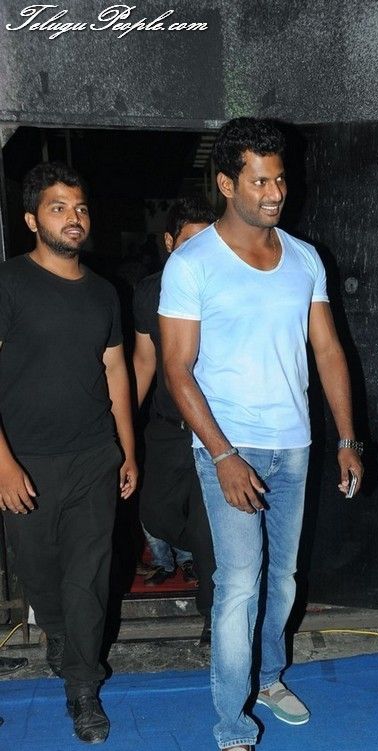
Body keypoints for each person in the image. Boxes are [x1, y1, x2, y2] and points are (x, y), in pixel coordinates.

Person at [159, 118, 364, 751]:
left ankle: (269, 678)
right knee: (239, 588)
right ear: (227, 184)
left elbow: (327, 350)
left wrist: (346, 438)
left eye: (279, 179)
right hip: (230, 447)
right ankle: (231, 732)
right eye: (259, 181)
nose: (275, 192)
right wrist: (222, 454)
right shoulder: (192, 264)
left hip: (294, 445)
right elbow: (177, 370)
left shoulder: (305, 258)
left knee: (283, 580)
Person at [0, 162, 138, 745]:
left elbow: (116, 371)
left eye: (79, 208)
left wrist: (127, 450)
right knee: (39, 573)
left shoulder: (104, 293)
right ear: (32, 220)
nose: (73, 218)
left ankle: (83, 686)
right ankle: (57, 631)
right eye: (58, 208)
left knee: (88, 578)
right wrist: (3, 463)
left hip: (92, 457)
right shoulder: (8, 283)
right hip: (25, 460)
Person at [133, 197, 217, 644]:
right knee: (156, 512)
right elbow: (143, 362)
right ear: (169, 242)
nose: (199, 253)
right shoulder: (150, 292)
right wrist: (119, 425)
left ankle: (214, 614)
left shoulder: (225, 287)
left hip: (215, 427)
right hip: (166, 427)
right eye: (189, 242)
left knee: (208, 528)